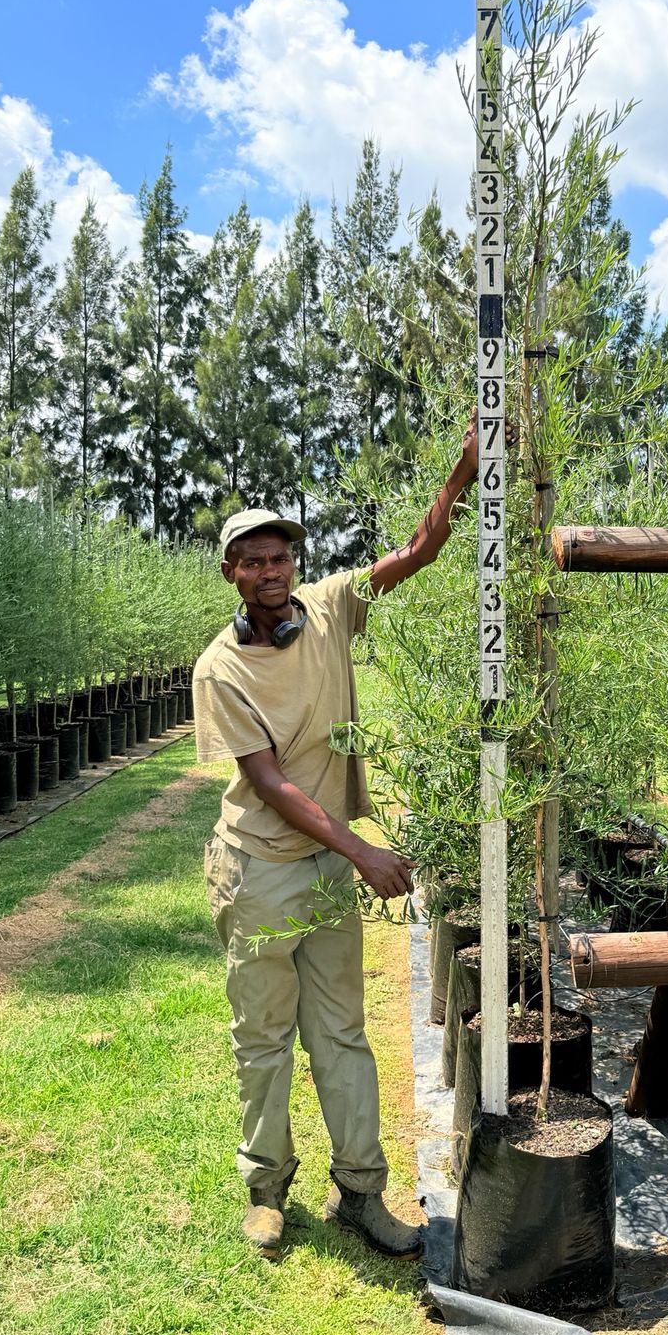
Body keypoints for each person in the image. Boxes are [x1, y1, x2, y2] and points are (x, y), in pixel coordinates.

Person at [193, 416, 478, 1257]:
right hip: (258, 871)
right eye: (252, 560)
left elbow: (415, 555)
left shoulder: (328, 608)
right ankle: (266, 1189)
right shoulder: (221, 667)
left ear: (294, 565)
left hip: (324, 866)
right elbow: (271, 783)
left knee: (342, 1034)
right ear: (231, 574)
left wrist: (461, 474)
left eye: (280, 557)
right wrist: (363, 852)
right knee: (264, 1037)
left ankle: (362, 1190)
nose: (270, 571)